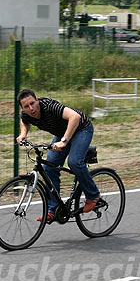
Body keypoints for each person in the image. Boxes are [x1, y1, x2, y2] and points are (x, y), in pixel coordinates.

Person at [15, 89, 102, 222]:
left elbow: (75, 117)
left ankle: (93, 195)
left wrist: (64, 141)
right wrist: (23, 134)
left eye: (33, 103)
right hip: (62, 132)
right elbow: (24, 121)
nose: (31, 108)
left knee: (74, 162)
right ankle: (53, 209)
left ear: (37, 100)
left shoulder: (49, 106)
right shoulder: (27, 114)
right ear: (23, 108)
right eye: (26, 106)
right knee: (50, 168)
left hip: (81, 128)